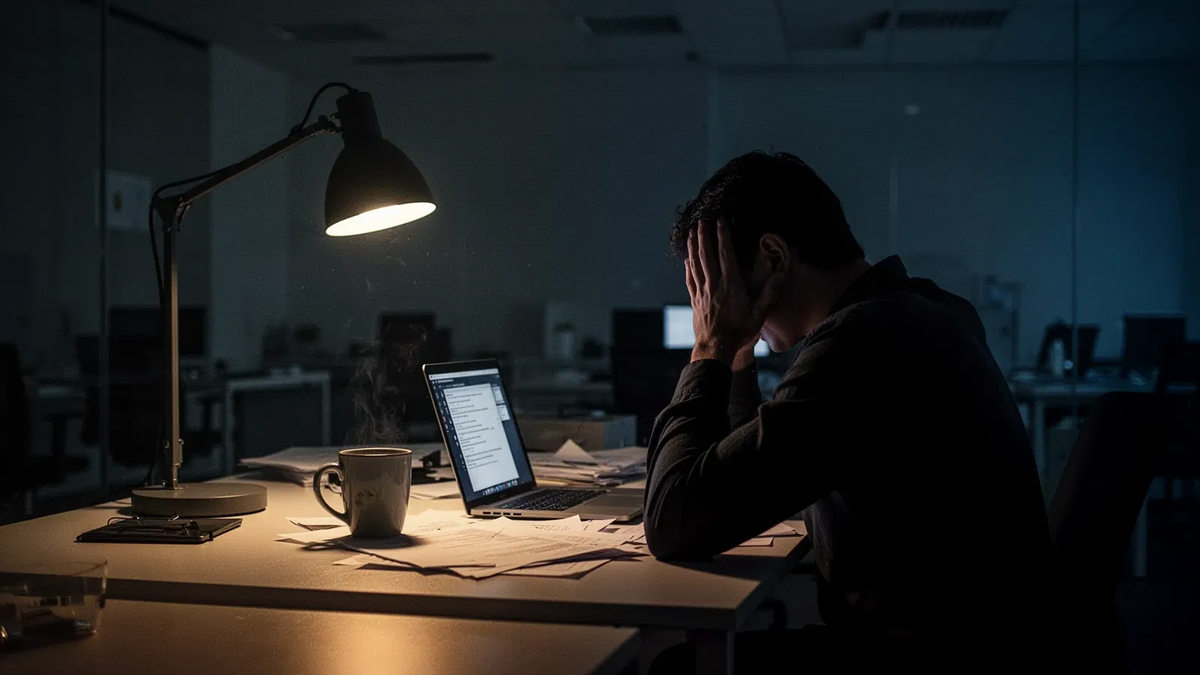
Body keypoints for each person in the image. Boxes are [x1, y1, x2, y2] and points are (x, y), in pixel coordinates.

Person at [645, 152, 1053, 672]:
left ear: (773, 256)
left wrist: (711, 346)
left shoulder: (865, 343)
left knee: (675, 667)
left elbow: (674, 522)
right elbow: (748, 469)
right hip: (979, 642)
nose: (709, 301)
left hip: (922, 655)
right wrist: (740, 350)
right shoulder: (922, 310)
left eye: (712, 282)